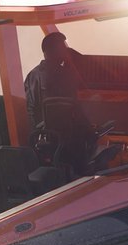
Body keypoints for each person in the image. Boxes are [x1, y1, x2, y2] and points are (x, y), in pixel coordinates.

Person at [23, 30, 95, 171]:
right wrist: (90, 129)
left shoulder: (31, 75)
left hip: (40, 137)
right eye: (63, 48)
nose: (66, 52)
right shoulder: (65, 75)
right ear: (55, 51)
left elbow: (30, 108)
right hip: (66, 139)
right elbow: (74, 109)